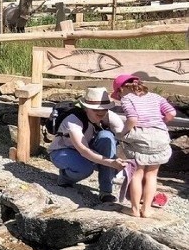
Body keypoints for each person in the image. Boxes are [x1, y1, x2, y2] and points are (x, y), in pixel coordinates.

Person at [112, 74, 176, 217]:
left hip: (140, 138)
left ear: (121, 89)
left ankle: (134, 209)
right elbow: (172, 113)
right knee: (152, 175)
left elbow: (133, 119)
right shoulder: (156, 97)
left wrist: (124, 132)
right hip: (160, 136)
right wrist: (160, 124)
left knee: (136, 174)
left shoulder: (127, 99)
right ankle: (146, 209)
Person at [48, 87, 125, 202]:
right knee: (85, 168)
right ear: (86, 108)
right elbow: (83, 150)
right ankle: (65, 179)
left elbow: (125, 138)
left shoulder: (110, 116)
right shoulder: (73, 120)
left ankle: (106, 191)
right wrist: (111, 162)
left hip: (89, 149)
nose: (101, 112)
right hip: (64, 150)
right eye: (96, 110)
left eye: (104, 109)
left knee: (107, 138)